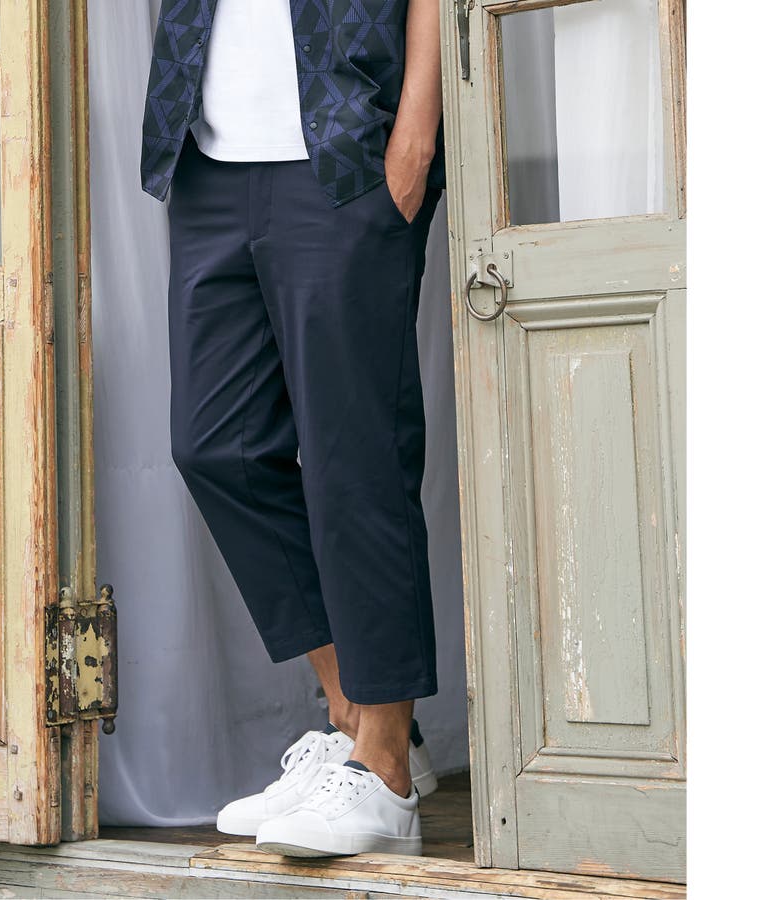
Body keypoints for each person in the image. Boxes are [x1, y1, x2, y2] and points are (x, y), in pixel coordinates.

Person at [140, 0, 445, 858]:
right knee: (216, 446)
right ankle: (358, 718)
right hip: (209, 159)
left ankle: (385, 771)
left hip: (347, 150)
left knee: (357, 458)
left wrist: (417, 130)